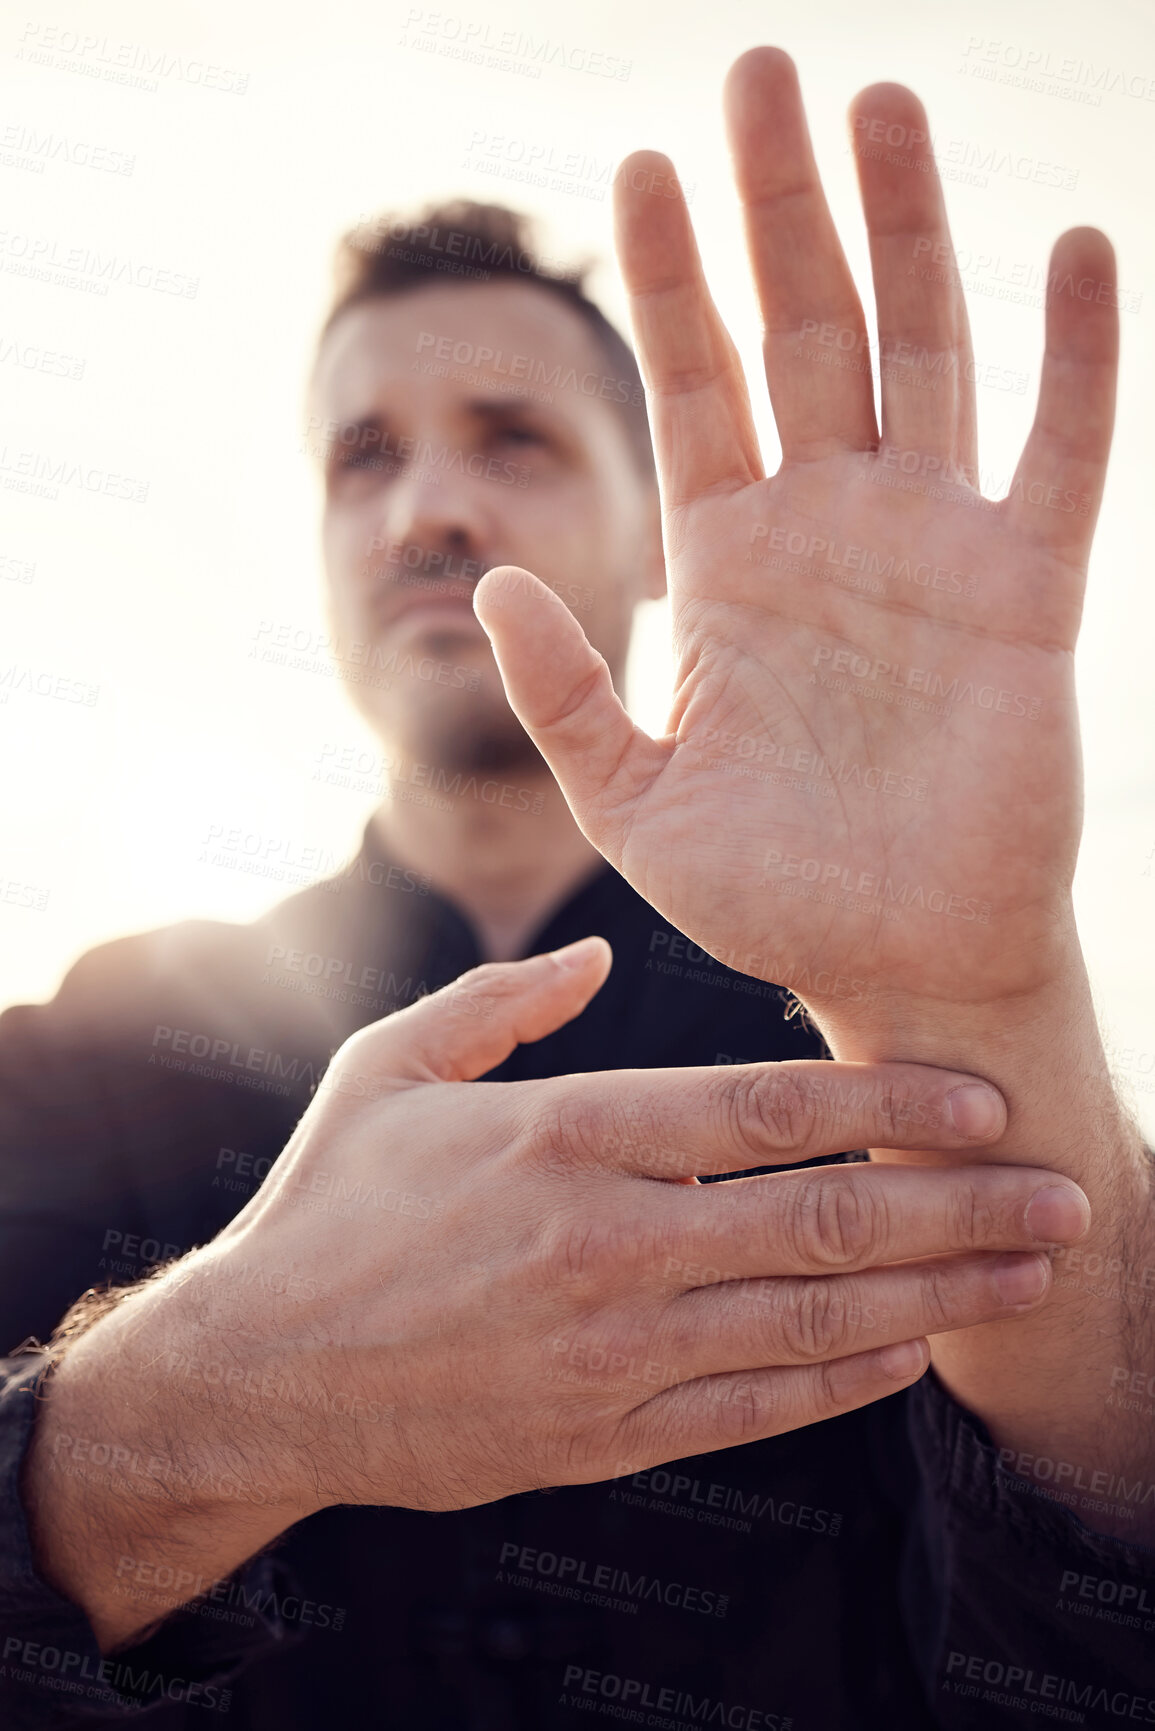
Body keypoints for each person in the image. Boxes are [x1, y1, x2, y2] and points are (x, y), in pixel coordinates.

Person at [0, 44, 1150, 1731]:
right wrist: (199, 1408)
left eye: (514, 438)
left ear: (667, 529)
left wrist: (987, 1007)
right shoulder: (87, 1053)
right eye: (363, 456)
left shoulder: (869, 1051)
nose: (431, 506)